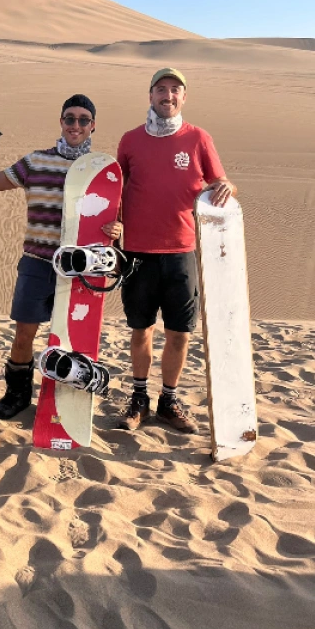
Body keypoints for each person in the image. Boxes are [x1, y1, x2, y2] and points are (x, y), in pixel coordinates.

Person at [117, 67, 236, 433]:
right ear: (150, 95)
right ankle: (139, 398)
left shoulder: (199, 138)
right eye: (161, 89)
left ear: (184, 97)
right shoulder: (130, 140)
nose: (167, 95)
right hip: (137, 252)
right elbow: (114, 190)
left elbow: (221, 182)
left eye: (174, 89)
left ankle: (168, 401)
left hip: (182, 251)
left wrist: (227, 186)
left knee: (179, 333)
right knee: (141, 329)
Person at [0, 95, 122, 419]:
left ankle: (64, 400)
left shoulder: (103, 170)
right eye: (70, 118)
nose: (76, 125)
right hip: (37, 263)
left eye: (83, 120)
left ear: (92, 125)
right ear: (61, 122)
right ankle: (17, 395)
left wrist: (118, 228)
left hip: (81, 269)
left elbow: (115, 215)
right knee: (24, 334)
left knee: (75, 337)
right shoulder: (36, 162)